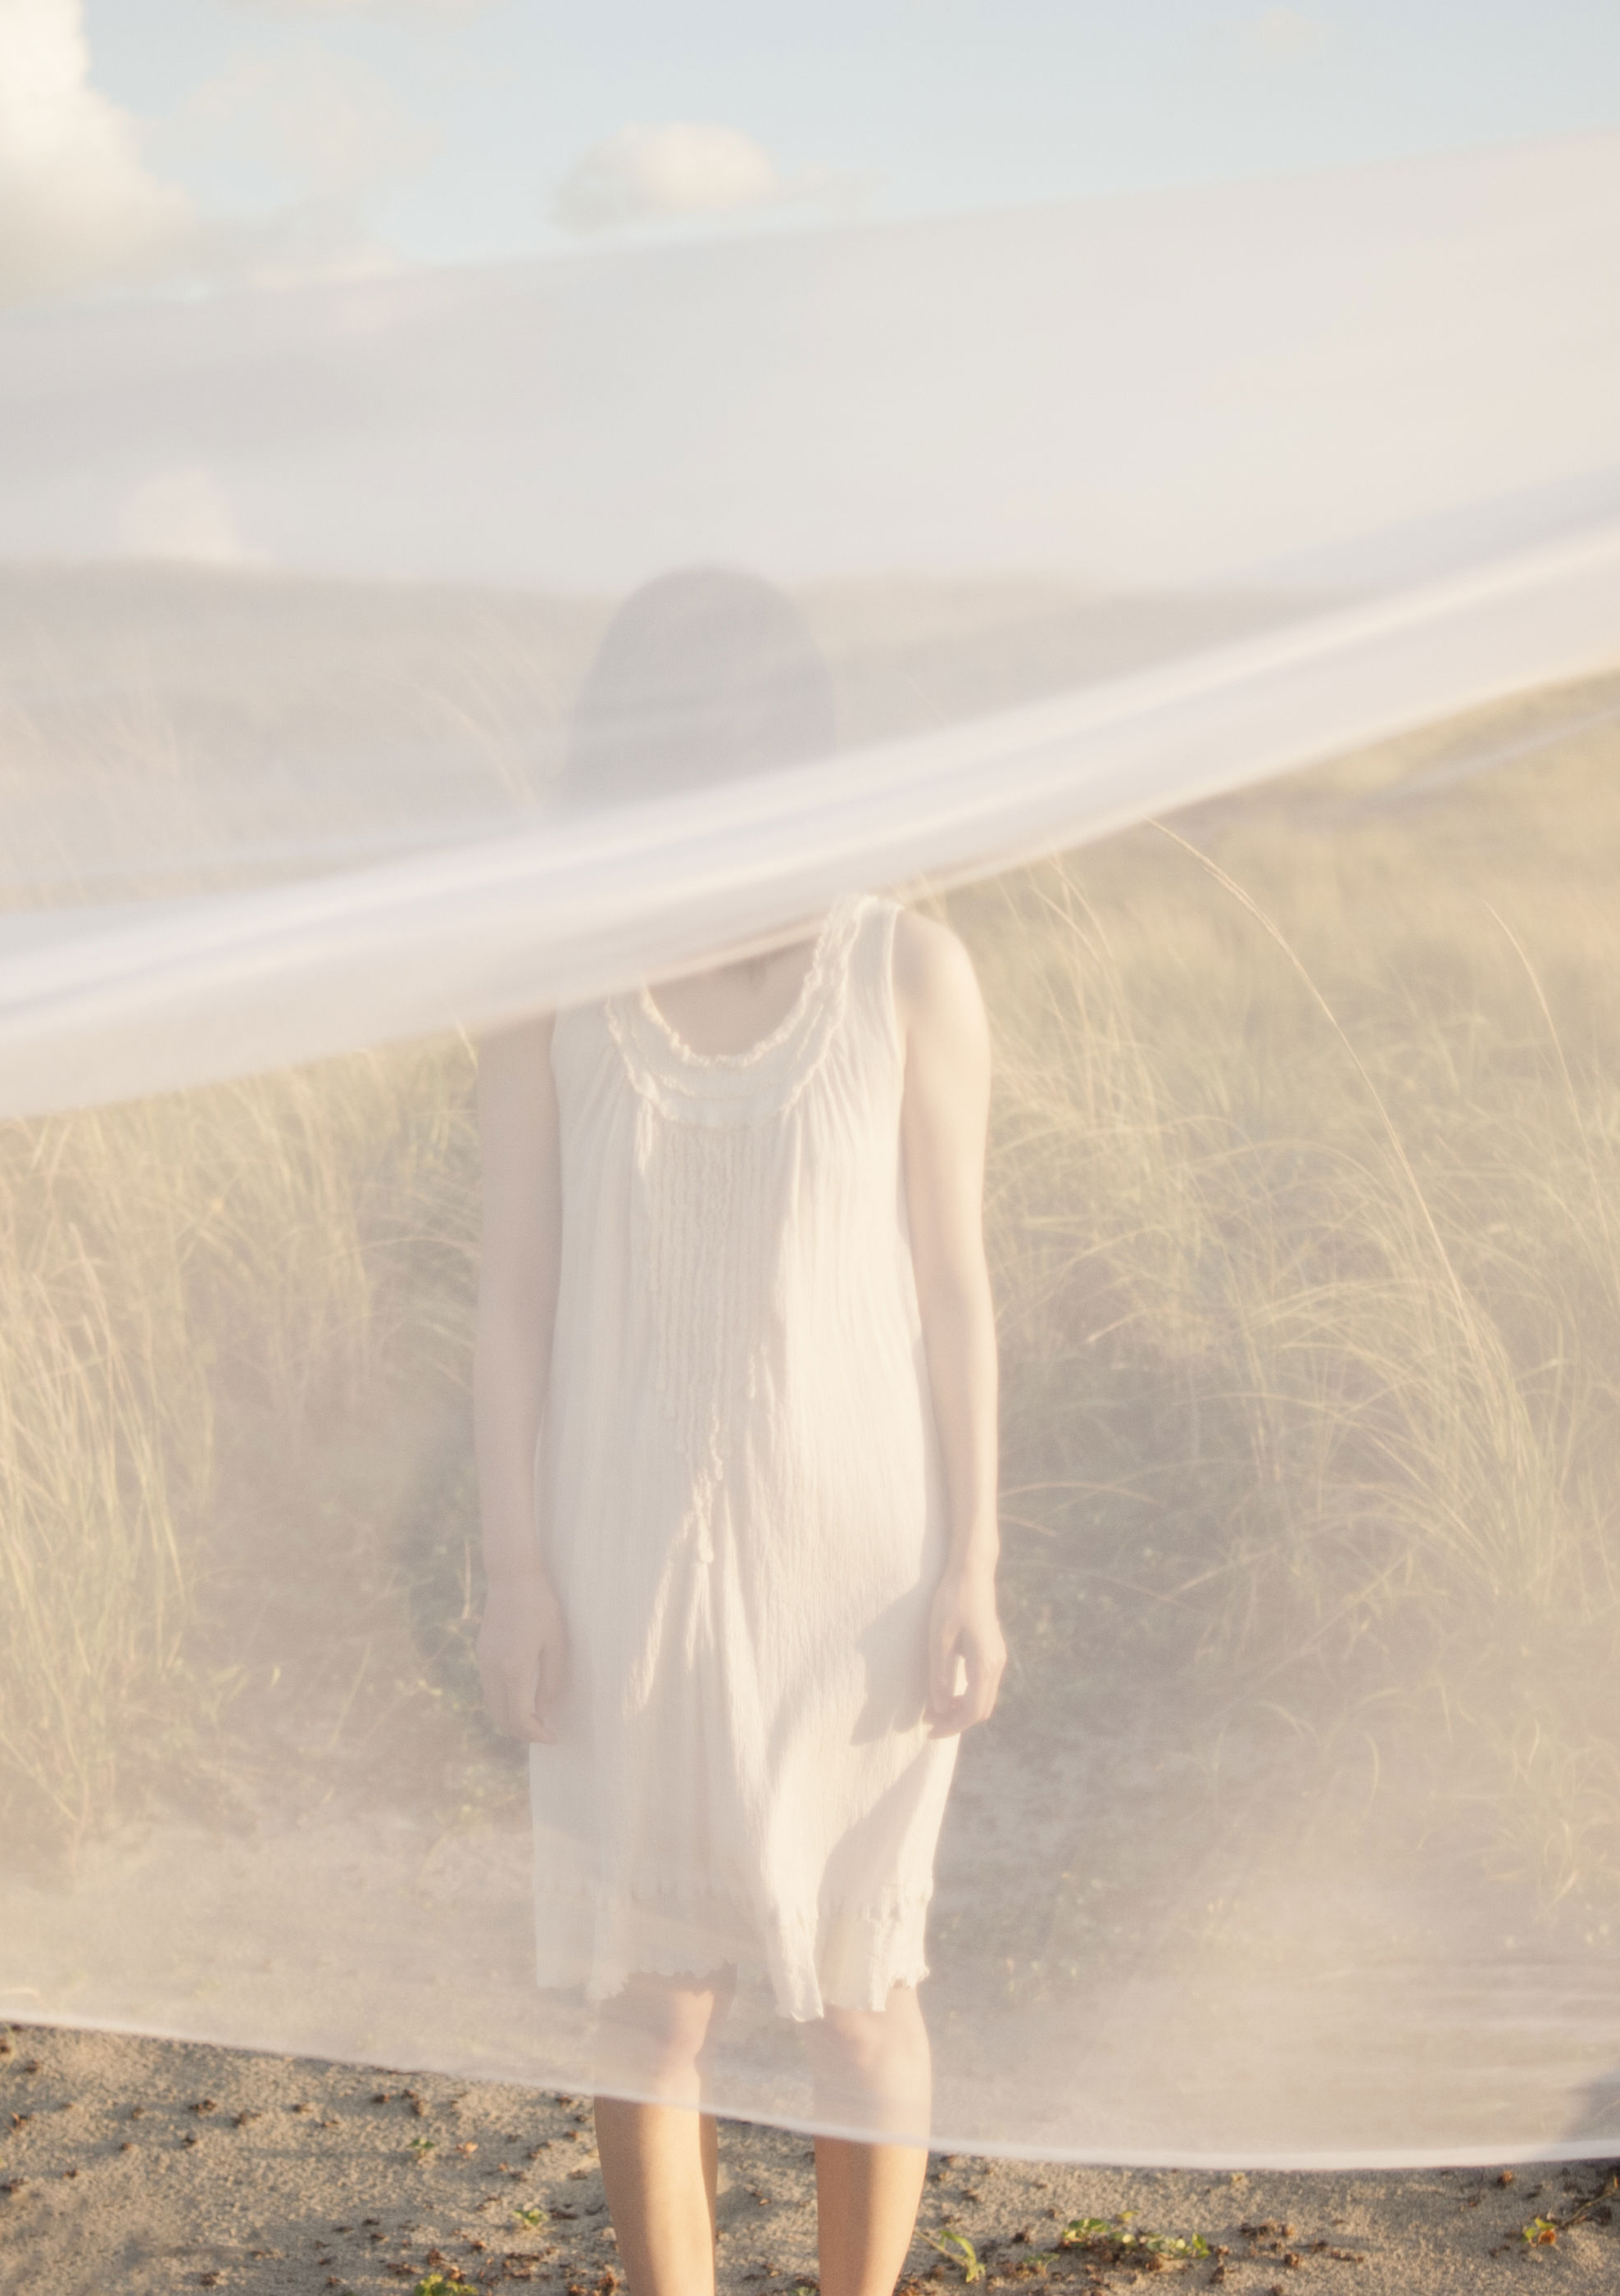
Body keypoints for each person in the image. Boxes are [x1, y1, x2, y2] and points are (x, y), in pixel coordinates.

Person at [472, 568, 1007, 2296]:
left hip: (853, 1562)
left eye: (747, 723)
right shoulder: (550, 995)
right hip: (618, 1547)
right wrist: (515, 1572)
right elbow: (513, 1309)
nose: (714, 758)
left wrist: (975, 1566)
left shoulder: (908, 970)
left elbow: (956, 1289)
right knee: (651, 2007)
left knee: (861, 2001)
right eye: (676, 729)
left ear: (799, 739)